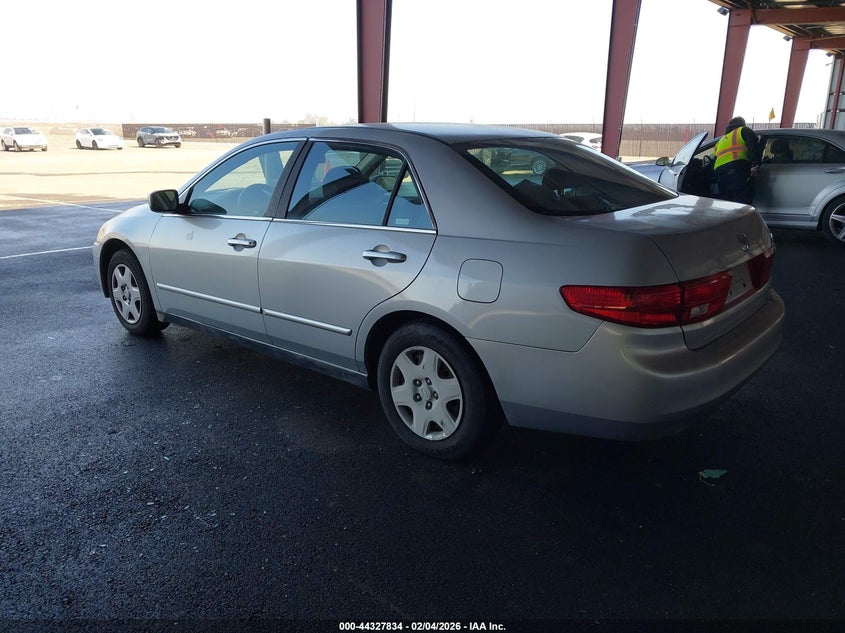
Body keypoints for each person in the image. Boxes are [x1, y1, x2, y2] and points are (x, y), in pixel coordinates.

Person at [712, 116, 761, 205]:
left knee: (726, 201)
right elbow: (753, 148)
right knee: (740, 201)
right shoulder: (743, 130)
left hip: (720, 172)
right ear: (742, 123)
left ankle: (728, 218)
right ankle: (742, 218)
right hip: (736, 169)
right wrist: (755, 164)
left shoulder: (721, 140)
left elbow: (714, 158)